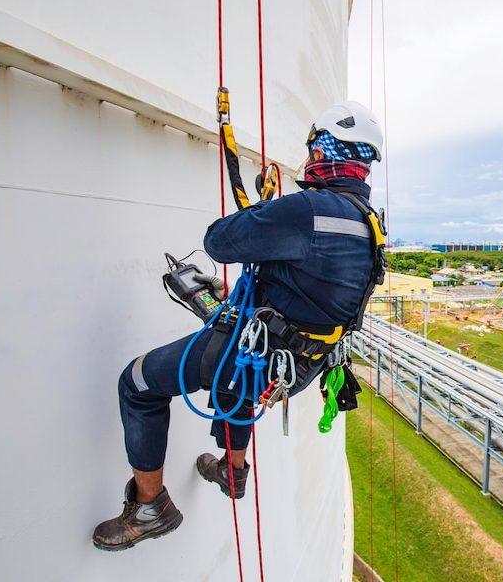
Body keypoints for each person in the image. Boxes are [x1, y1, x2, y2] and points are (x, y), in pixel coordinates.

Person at [92, 101, 384, 551]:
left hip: (262, 355)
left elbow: (219, 240)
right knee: (234, 388)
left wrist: (269, 213)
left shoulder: (306, 210)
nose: (308, 161)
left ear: (324, 151)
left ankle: (151, 508)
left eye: (313, 151)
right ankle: (233, 469)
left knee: (137, 382)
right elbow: (313, 285)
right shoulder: (370, 225)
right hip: (300, 364)